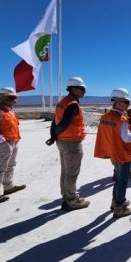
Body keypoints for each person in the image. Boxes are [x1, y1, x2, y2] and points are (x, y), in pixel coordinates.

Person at [46, 77, 90, 211]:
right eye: (82, 89)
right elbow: (63, 124)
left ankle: (66, 196)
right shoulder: (72, 105)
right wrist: (56, 134)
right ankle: (71, 200)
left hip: (62, 141)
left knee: (65, 172)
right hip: (71, 143)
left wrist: (54, 136)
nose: (84, 92)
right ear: (74, 89)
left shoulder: (62, 102)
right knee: (71, 173)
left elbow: (55, 122)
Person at [94, 88, 131, 218]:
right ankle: (120, 206)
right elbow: (127, 138)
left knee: (118, 178)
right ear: (118, 102)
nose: (127, 105)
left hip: (113, 153)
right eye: (126, 102)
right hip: (123, 154)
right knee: (122, 181)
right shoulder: (121, 119)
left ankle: (115, 201)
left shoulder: (106, 116)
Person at [0, 87, 26, 204]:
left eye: (15, 97)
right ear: (2, 97)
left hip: (13, 141)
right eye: (11, 97)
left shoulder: (9, 110)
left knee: (11, 165)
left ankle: (8, 186)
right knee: (0, 168)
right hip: (3, 143)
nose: (15, 100)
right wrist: (2, 141)